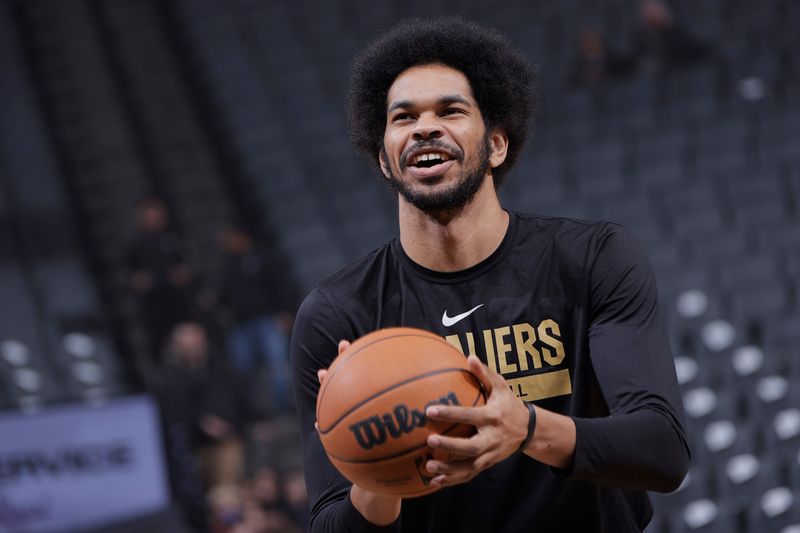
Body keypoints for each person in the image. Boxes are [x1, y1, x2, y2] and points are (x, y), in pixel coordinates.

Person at [290, 17, 690, 532]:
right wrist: (374, 465)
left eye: (450, 110)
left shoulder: (592, 260)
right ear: (386, 161)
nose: (424, 127)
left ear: (496, 144)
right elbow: (329, 525)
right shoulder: (338, 314)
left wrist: (524, 428)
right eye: (403, 117)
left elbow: (662, 450)